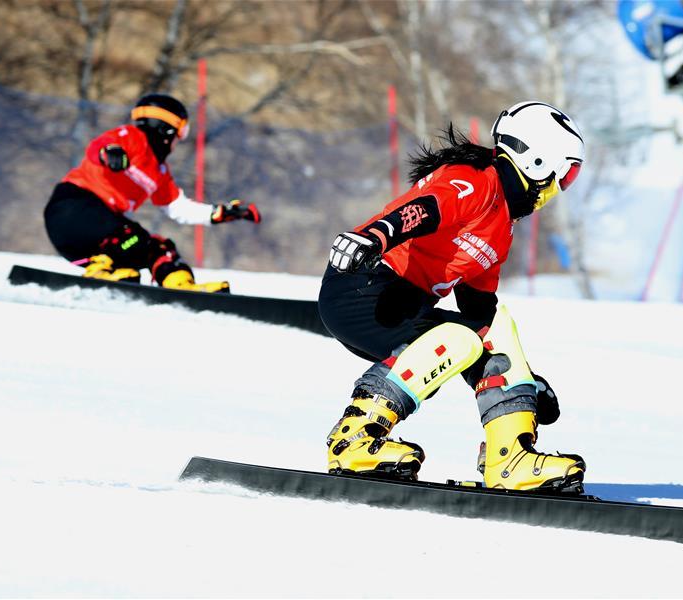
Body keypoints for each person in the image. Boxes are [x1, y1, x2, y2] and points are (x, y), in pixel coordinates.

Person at [318, 101, 587, 491]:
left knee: (495, 330)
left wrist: (523, 382)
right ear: (538, 162)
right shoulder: (476, 180)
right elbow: (424, 209)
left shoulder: (502, 226)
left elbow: (480, 311)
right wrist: (376, 236)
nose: (559, 189)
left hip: (403, 306)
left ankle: (510, 459)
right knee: (458, 341)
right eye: (567, 175)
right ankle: (354, 440)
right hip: (365, 288)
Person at [44, 93, 261, 292]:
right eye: (181, 131)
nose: (178, 140)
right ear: (166, 129)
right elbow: (99, 145)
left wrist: (220, 213)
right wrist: (109, 152)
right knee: (131, 235)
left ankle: (180, 287)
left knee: (154, 247)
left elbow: (178, 207)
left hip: (89, 245)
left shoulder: (160, 172)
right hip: (72, 210)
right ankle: (101, 269)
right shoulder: (133, 137)